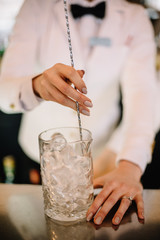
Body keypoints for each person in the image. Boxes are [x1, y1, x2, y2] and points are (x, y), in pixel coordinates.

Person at [0, 0, 158, 225]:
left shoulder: (134, 16)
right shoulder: (35, 6)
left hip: (105, 160)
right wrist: (37, 85)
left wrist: (130, 165)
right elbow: (3, 92)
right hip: (42, 161)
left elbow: (144, 97)